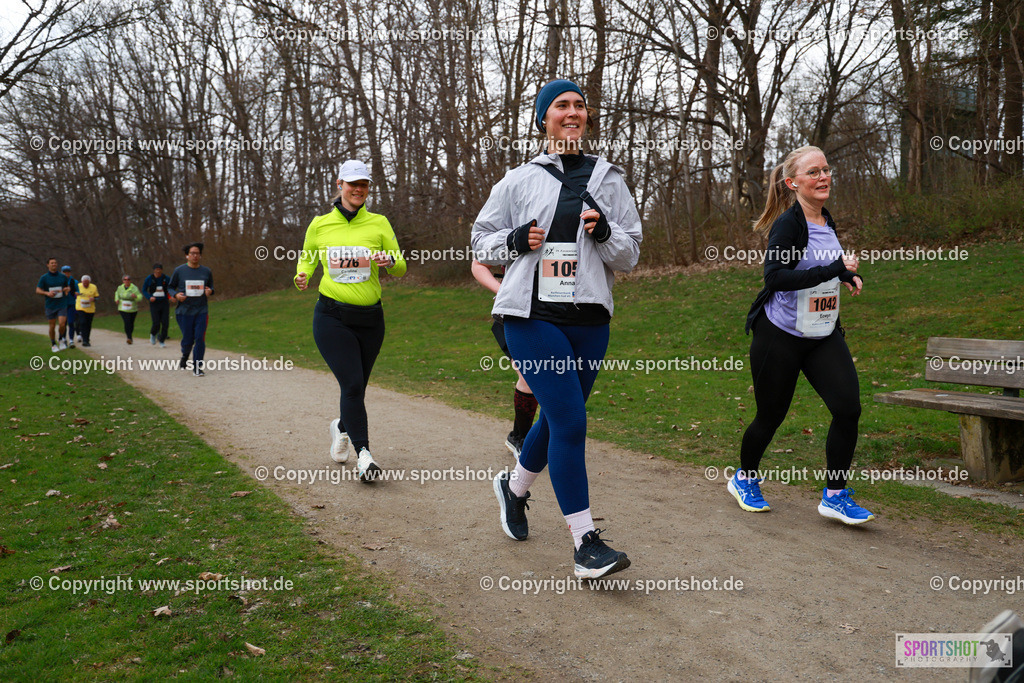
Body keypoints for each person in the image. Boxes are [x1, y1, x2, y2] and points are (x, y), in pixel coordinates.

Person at [471, 79, 643, 579]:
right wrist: (516, 238)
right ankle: (585, 543)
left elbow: (631, 254)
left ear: (587, 119)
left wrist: (607, 234)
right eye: (561, 106)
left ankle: (514, 489)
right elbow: (482, 244)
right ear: (544, 119)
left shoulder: (610, 180)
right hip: (530, 317)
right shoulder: (519, 180)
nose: (572, 113)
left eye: (579, 106)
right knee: (570, 422)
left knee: (555, 418)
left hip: (590, 320)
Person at [728, 145, 873, 524]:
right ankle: (744, 477)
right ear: (793, 183)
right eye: (814, 172)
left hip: (821, 333)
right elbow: (776, 278)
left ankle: (835, 495)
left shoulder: (827, 220)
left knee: (848, 408)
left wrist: (846, 274)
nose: (823, 177)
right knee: (770, 416)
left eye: (826, 170)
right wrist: (832, 270)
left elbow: (824, 267)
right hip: (780, 335)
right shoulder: (790, 224)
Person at [294, 159, 407, 483]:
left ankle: (341, 427)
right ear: (339, 184)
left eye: (364, 184)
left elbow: (400, 266)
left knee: (356, 388)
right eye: (352, 183)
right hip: (332, 316)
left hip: (371, 319)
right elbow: (307, 257)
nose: (358, 189)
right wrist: (301, 275)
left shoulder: (379, 223)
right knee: (353, 385)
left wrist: (389, 262)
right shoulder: (320, 225)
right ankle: (365, 456)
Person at [470, 259, 538, 458]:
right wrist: (503, 291)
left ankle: (536, 436)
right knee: (528, 377)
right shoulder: (512, 232)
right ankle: (521, 439)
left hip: (553, 318)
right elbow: (478, 264)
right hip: (512, 319)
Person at [169, 242, 214, 376]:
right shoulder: (179, 270)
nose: (195, 256)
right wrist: (176, 295)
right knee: (188, 339)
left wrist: (209, 291)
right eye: (192, 253)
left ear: (200, 255)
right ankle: (185, 354)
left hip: (201, 310)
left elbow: (211, 287)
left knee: (199, 338)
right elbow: (170, 287)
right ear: (187, 256)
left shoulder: (206, 271)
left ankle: (197, 367)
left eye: (197, 253)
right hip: (184, 311)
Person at [35, 257, 71, 352]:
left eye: (55, 263)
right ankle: (53, 344)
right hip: (50, 305)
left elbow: (67, 287)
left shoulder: (62, 276)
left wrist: (67, 289)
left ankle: (61, 339)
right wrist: (47, 293)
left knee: (62, 324)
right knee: (52, 326)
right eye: (52, 263)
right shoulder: (44, 278)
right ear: (48, 265)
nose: (54, 264)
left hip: (62, 303)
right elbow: (38, 290)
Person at [143, 263, 171, 347]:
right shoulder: (149, 278)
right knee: (156, 322)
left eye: (159, 269)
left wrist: (171, 297)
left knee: (165, 323)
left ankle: (162, 340)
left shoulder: (166, 278)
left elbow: (170, 289)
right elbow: (144, 290)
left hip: (164, 302)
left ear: (162, 270)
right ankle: (153, 334)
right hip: (154, 303)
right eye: (156, 269)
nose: (158, 271)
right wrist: (149, 297)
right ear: (154, 270)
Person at [113, 275, 142, 344]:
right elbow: (117, 294)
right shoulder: (120, 288)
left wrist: (135, 297)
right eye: (125, 280)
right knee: (127, 322)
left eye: (128, 279)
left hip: (132, 308)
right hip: (122, 308)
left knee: (131, 323)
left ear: (130, 281)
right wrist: (116, 299)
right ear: (123, 281)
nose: (126, 281)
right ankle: (129, 337)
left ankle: (130, 335)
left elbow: (140, 297)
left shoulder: (134, 288)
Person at [75, 275, 98, 347]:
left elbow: (97, 297)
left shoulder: (93, 287)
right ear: (81, 282)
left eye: (87, 283)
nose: (85, 284)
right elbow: (72, 293)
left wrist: (94, 299)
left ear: (89, 282)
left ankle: (87, 339)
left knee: (88, 324)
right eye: (84, 283)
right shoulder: (77, 286)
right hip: (80, 308)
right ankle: (84, 340)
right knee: (82, 322)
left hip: (90, 309)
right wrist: (75, 294)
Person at [60, 265, 79, 347]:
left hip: (71, 304)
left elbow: (78, 291)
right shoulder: (59, 281)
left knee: (71, 322)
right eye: (64, 272)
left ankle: (71, 340)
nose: (66, 274)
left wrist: (76, 293)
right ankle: (63, 338)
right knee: (63, 323)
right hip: (62, 305)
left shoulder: (74, 282)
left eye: (68, 272)